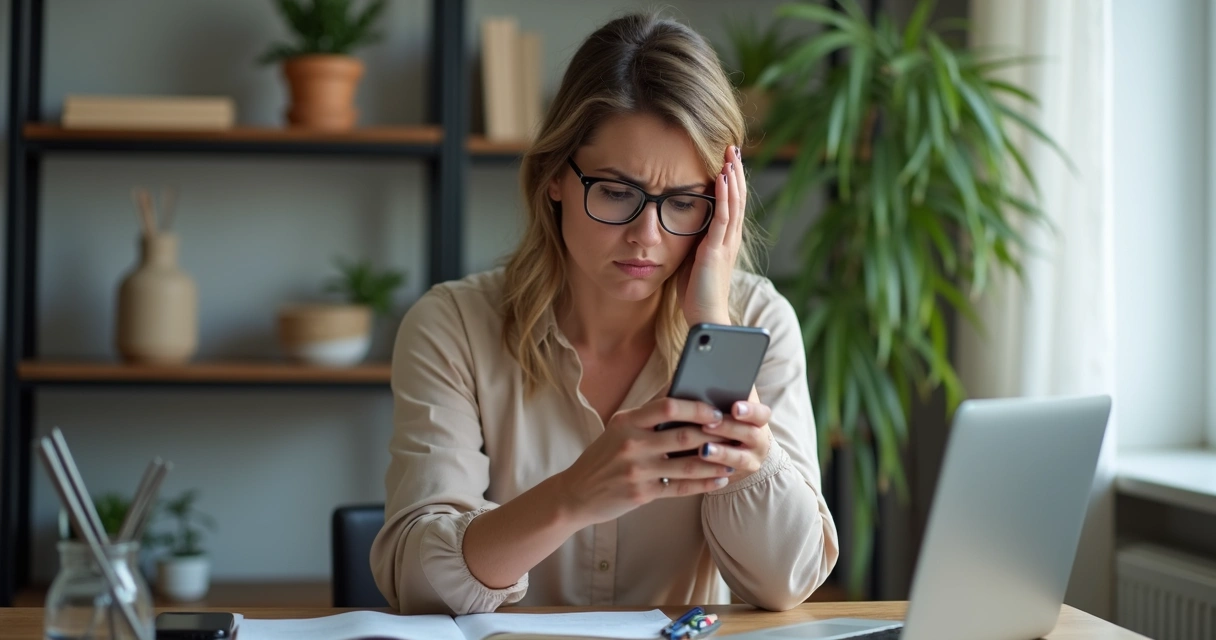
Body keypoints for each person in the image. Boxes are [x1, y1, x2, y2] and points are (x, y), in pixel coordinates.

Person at [370, 11, 838, 616]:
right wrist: (572, 496)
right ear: (555, 178)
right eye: (617, 192)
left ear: (722, 202)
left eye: (684, 201)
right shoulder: (452, 326)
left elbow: (783, 586)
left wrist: (714, 331)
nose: (648, 236)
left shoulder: (757, 321)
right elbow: (417, 584)